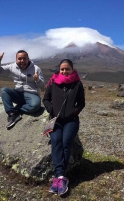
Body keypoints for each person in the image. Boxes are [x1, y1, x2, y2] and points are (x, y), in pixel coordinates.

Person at [42, 59, 85, 195]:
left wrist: (74, 111)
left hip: (71, 120)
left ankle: (59, 177)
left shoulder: (77, 84)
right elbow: (46, 99)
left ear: (72, 70)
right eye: (62, 69)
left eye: (67, 69)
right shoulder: (53, 82)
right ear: (59, 70)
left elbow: (81, 103)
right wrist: (51, 110)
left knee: (66, 142)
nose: (65, 71)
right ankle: (61, 177)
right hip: (56, 121)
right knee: (56, 141)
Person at [0, 50, 45, 129]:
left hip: (32, 95)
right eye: (19, 59)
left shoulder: (36, 69)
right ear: (16, 59)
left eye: (24, 58)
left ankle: (16, 109)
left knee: (35, 106)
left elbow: (42, 86)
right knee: (4, 90)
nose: (22, 61)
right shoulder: (12, 67)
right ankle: (12, 114)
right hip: (19, 94)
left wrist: (37, 80)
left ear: (28, 58)